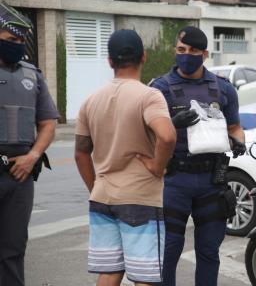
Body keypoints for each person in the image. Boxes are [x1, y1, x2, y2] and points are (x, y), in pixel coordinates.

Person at [74, 29, 176, 286]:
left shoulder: (90, 101)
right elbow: (167, 137)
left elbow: (81, 152)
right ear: (144, 56)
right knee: (145, 277)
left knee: (110, 272)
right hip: (139, 198)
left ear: (109, 61)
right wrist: (156, 166)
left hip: (103, 197)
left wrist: (95, 186)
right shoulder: (149, 96)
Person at [150, 26, 246, 286]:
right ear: (175, 51)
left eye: (193, 51)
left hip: (211, 181)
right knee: (167, 252)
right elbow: (146, 135)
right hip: (174, 181)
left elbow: (235, 126)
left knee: (209, 252)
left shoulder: (223, 89)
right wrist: (173, 123)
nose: (186, 55)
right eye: (181, 50)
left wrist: (238, 141)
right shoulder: (159, 88)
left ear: (204, 53)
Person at [0, 1, 59, 286]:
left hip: (20, 174)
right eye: (12, 40)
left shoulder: (31, 75)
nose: (18, 45)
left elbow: (48, 123)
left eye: (22, 40)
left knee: (13, 249)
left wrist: (33, 156)